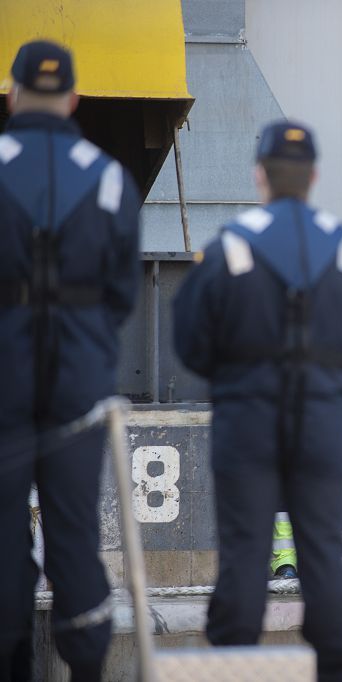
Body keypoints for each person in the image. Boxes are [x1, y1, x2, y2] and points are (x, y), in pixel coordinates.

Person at [173, 120, 342, 681]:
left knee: (244, 554)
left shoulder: (230, 245)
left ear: (260, 174)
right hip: (319, 422)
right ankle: (332, 668)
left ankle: (234, 665)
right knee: (322, 555)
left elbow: (189, 343)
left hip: (246, 421)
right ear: (313, 177)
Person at [0, 41, 141, 681]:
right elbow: (120, 295)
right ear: (75, 100)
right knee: (74, 530)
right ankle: (87, 666)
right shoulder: (109, 178)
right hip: (79, 383)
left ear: (12, 94)